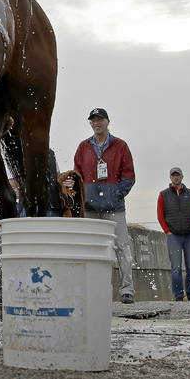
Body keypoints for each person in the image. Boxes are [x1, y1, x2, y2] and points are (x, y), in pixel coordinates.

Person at [72, 107, 137, 304]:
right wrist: (80, 194)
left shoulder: (120, 146)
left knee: (122, 247)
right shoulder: (83, 147)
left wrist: (116, 195)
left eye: (100, 119)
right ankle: (93, 289)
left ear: (108, 122)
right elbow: (77, 174)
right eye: (93, 120)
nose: (96, 123)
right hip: (90, 207)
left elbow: (129, 176)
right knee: (90, 249)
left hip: (114, 208)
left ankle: (127, 289)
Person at [156, 167, 190, 301]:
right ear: (170, 177)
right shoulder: (163, 194)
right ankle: (179, 295)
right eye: (173, 175)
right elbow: (160, 215)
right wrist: (167, 231)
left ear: (182, 177)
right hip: (173, 235)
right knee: (176, 267)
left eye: (178, 175)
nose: (176, 178)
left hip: (189, 235)